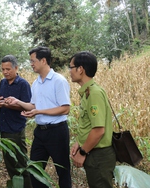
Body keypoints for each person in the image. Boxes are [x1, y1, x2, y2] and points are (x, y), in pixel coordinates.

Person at [6, 46, 72, 188]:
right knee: (34, 170)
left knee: (63, 170)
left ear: (43, 60)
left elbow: (65, 108)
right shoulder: (36, 83)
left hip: (57, 131)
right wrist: (18, 102)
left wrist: (39, 111)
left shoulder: (58, 80)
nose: (31, 64)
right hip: (40, 132)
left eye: (33, 60)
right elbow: (34, 106)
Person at [69, 51, 116, 187]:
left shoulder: (94, 93)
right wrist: (79, 142)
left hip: (98, 156)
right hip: (94, 153)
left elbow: (98, 130)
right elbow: (89, 124)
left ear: (80, 69)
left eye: (71, 67)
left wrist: (82, 152)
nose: (70, 71)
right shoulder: (87, 92)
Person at [0, 55, 32, 188]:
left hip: (16, 128)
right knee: (9, 162)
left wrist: (7, 105)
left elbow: (26, 106)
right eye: (3, 69)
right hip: (4, 127)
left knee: (21, 162)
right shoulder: (3, 82)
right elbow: (3, 101)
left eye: (8, 69)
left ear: (16, 68)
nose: (5, 72)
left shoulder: (23, 84)